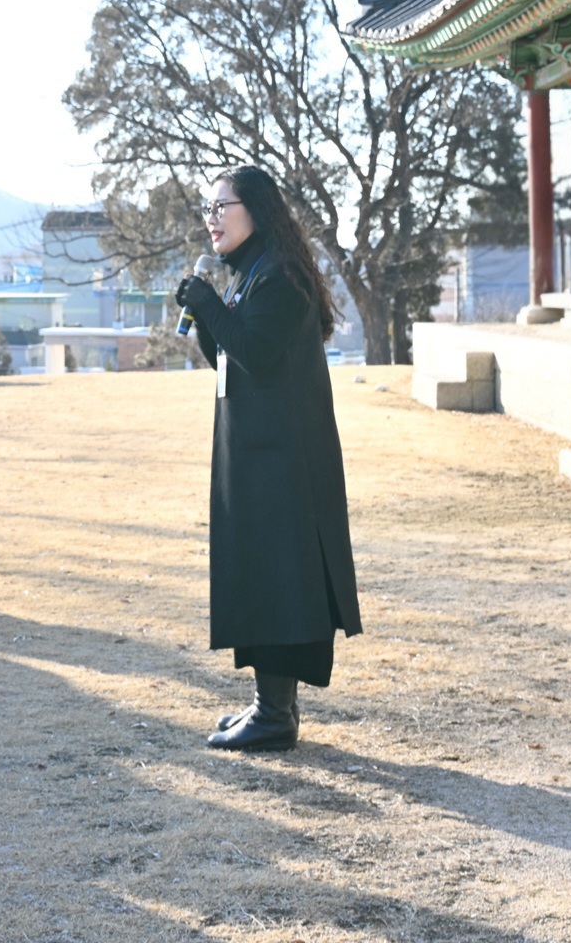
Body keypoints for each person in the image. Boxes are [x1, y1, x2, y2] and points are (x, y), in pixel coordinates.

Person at [172, 164, 363, 752]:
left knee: (278, 581)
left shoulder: (279, 277)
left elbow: (254, 349)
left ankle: (275, 715)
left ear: (255, 209)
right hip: (255, 453)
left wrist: (208, 301)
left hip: (282, 462)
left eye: (220, 206)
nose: (211, 219)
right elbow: (229, 354)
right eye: (206, 209)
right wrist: (206, 313)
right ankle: (269, 706)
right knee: (259, 577)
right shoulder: (250, 273)